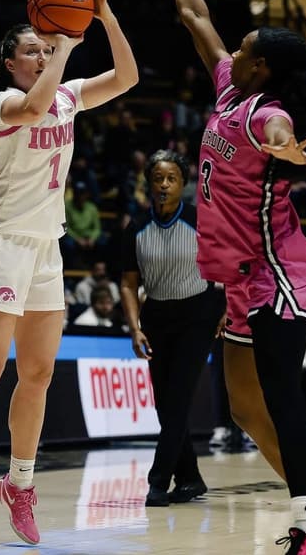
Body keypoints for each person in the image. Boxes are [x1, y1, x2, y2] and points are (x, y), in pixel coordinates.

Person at [138, 0, 306, 554]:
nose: (232, 51)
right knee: (242, 408)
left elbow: (279, 134)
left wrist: (287, 152)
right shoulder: (230, 89)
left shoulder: (268, 112)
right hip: (236, 276)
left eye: (245, 50)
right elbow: (197, 19)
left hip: (279, 270)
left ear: (261, 68)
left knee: (283, 393)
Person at [0, 0, 138, 550]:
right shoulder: (3, 103)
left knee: (39, 373)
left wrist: (105, 15)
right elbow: (39, 103)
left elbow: (127, 76)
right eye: (32, 51)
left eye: (45, 48)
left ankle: (19, 484)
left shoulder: (66, 93)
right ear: (10, 64)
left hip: (46, 244)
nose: (43, 56)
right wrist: (65, 49)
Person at [121, 149, 225, 506]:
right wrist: (135, 328)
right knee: (165, 405)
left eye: (172, 179)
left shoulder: (201, 221)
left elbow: (227, 265)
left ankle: (157, 481)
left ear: (183, 184)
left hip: (198, 315)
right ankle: (191, 479)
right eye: (158, 179)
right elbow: (127, 283)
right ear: (149, 183)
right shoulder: (135, 228)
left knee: (178, 400)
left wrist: (226, 308)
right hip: (157, 318)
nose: (164, 185)